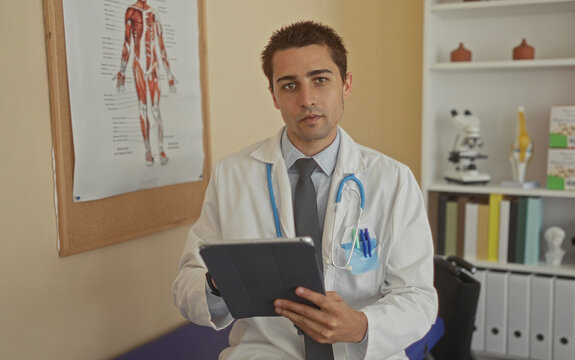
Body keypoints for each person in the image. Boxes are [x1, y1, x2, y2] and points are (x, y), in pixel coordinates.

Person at [173, 21, 437, 359]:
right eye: (289, 85)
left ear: (347, 84)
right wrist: (216, 284)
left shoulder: (393, 180)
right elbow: (186, 289)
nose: (306, 99)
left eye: (320, 80)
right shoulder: (232, 175)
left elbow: (419, 297)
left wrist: (361, 325)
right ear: (273, 96)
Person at [114, 0, 177, 166]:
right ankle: (148, 150)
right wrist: (122, 70)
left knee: (156, 110)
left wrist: (169, 74)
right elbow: (127, 42)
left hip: (153, 67)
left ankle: (161, 148)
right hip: (139, 67)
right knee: (143, 108)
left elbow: (161, 46)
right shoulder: (131, 12)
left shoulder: (154, 14)